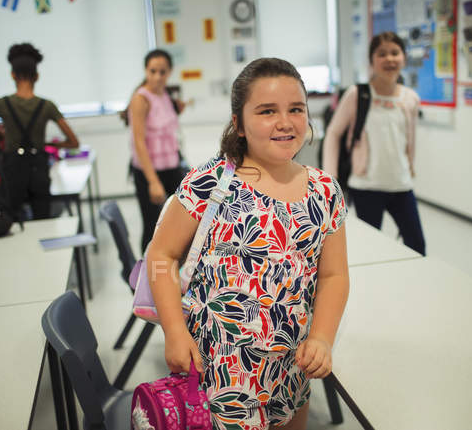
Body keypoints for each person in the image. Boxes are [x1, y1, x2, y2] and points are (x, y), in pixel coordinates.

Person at [147, 58, 350, 430]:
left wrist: (322, 337)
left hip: (291, 365)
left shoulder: (325, 191)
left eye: (296, 109)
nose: (285, 121)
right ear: (238, 123)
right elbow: (162, 254)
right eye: (267, 111)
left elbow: (334, 275)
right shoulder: (210, 183)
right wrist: (174, 331)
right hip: (220, 369)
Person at [322, 31, 426, 255]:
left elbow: (410, 140)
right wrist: (331, 178)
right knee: (371, 249)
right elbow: (333, 133)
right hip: (366, 186)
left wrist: (410, 167)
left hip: (401, 185)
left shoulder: (410, 98)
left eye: (395, 53)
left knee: (417, 245)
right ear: (372, 61)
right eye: (382, 54)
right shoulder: (357, 95)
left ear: (404, 58)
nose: (390, 59)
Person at [0, 43, 79, 220]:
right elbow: (73, 142)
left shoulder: (2, 104)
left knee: (11, 218)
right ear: (37, 76)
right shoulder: (47, 106)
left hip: (12, 168)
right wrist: (47, 144)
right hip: (38, 166)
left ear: (12, 75)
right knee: (42, 218)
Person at [128, 49, 189, 253]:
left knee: (175, 224)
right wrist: (153, 181)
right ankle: (144, 279)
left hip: (171, 167)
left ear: (169, 71)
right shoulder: (140, 98)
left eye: (162, 72)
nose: (157, 77)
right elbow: (139, 142)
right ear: (146, 70)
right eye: (152, 71)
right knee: (152, 226)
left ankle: (171, 271)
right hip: (150, 173)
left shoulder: (165, 95)